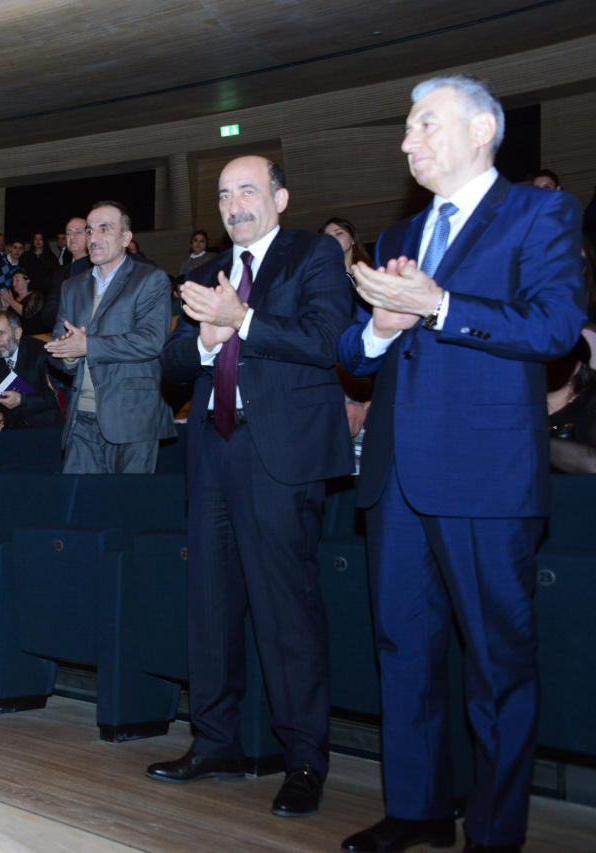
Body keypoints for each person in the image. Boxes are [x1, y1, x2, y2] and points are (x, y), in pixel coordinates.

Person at [337, 76, 586, 853]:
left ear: (483, 129)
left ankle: (493, 831)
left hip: (485, 473)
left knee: (496, 662)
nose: (408, 143)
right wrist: (378, 327)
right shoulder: (395, 237)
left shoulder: (540, 213)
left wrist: (440, 305)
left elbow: (554, 328)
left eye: (424, 126)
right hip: (399, 476)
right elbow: (354, 353)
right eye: (406, 131)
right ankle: (416, 809)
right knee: (403, 650)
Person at [152, 155, 353, 818]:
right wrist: (207, 342)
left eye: (247, 190)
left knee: (284, 610)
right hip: (213, 450)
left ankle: (303, 758)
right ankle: (215, 741)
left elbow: (328, 340)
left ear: (279, 197)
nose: (234, 204)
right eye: (223, 194)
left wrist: (242, 318)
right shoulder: (204, 271)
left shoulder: (315, 254)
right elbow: (174, 361)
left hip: (280, 456)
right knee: (209, 603)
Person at [45, 201, 174, 474]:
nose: (94, 238)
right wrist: (67, 355)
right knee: (80, 511)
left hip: (133, 418)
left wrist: (87, 345)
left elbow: (150, 340)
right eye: (90, 231)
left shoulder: (151, 279)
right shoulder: (72, 287)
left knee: (126, 511)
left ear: (126, 238)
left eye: (105, 229)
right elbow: (58, 347)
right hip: (81, 418)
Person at [0, 311, 61, 429]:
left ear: (17, 333)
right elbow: (0, 403)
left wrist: (22, 400)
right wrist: (0, 416)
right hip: (16, 431)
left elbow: (56, 398)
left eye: (0, 333)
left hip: (48, 428)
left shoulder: (41, 353)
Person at [547, 337, 596, 472]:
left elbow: (593, 464)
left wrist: (529, 439)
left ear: (578, 365)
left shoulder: (591, 402)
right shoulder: (516, 403)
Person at [0, 270, 48, 336]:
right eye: (13, 280)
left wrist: (10, 300)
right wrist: (5, 307)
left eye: (17, 280)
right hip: (14, 337)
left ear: (27, 280)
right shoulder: (13, 298)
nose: (14, 283)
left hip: (33, 336)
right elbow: (1, 320)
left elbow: (28, 313)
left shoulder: (36, 295)